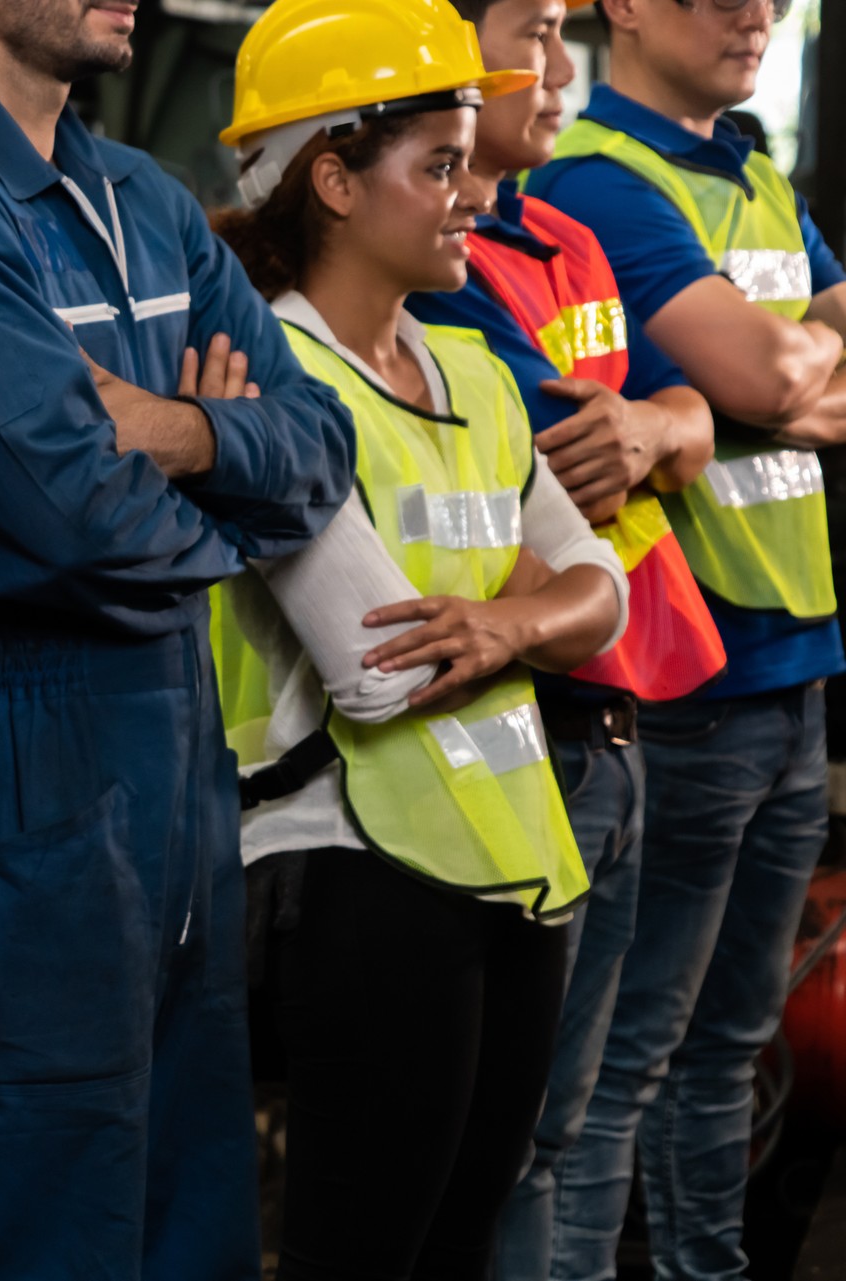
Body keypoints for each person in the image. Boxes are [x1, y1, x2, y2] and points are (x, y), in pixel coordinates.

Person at [0, 0, 357, 1268]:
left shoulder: (144, 199)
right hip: (9, 771)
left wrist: (177, 433)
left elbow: (323, 445)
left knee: (187, 1220)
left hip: (170, 770)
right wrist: (231, 514)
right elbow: (64, 520)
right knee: (23, 1227)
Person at [211, 0, 631, 1272]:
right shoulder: (272, 376)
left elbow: (599, 588)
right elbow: (380, 674)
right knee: (364, 1252)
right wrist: (535, 618)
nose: (471, 194)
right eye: (438, 164)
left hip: (509, 860)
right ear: (331, 179)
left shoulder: (476, 376)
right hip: (349, 872)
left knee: (455, 1248)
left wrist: (503, 620)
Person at [523, 0, 846, 1268]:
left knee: (729, 1052)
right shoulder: (608, 179)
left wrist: (774, 373)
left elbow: (771, 373)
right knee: (624, 1072)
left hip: (797, 671)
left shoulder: (755, 174)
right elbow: (771, 378)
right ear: (626, 9)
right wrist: (786, 373)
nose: (752, 12)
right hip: (689, 684)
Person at [402, 0, 720, 1270]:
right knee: (513, 1140)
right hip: (525, 731)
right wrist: (663, 427)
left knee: (584, 1121)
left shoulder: (568, 237)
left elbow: (665, 418)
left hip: (624, 711)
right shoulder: (435, 287)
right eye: (530, 28)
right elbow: (574, 453)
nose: (556, 63)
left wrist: (662, 426)